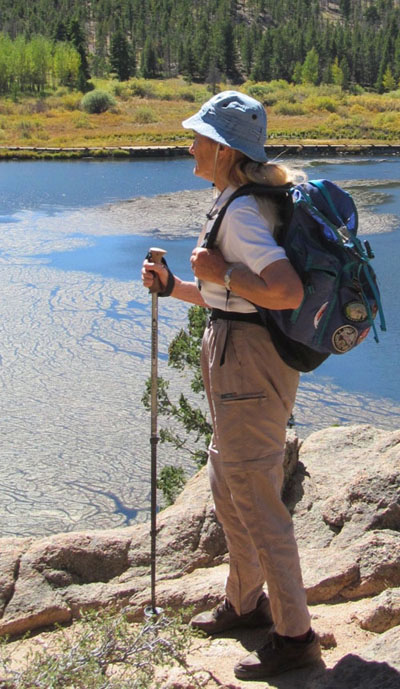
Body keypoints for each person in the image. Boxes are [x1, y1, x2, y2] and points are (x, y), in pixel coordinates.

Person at [141, 90, 321, 680]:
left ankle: (295, 637)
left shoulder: (241, 211)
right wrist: (177, 287)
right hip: (238, 354)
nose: (189, 145)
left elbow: (285, 292)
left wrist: (221, 272)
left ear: (222, 151)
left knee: (255, 498)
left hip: (248, 365)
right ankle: (245, 604)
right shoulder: (235, 200)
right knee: (232, 487)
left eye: (198, 137)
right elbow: (235, 299)